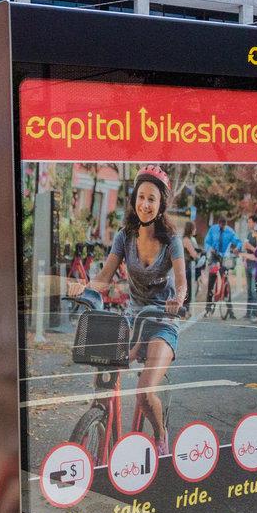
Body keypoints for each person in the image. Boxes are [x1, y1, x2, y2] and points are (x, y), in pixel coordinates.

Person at [79, 166, 187, 447]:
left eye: (152, 198)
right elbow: (104, 277)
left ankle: (161, 436)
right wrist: (85, 289)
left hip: (163, 321)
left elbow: (182, 281)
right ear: (134, 199)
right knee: (104, 376)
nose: (145, 204)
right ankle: (101, 422)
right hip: (132, 319)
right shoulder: (124, 237)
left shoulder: (171, 241)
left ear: (161, 203)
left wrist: (178, 300)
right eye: (141, 197)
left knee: (144, 391)